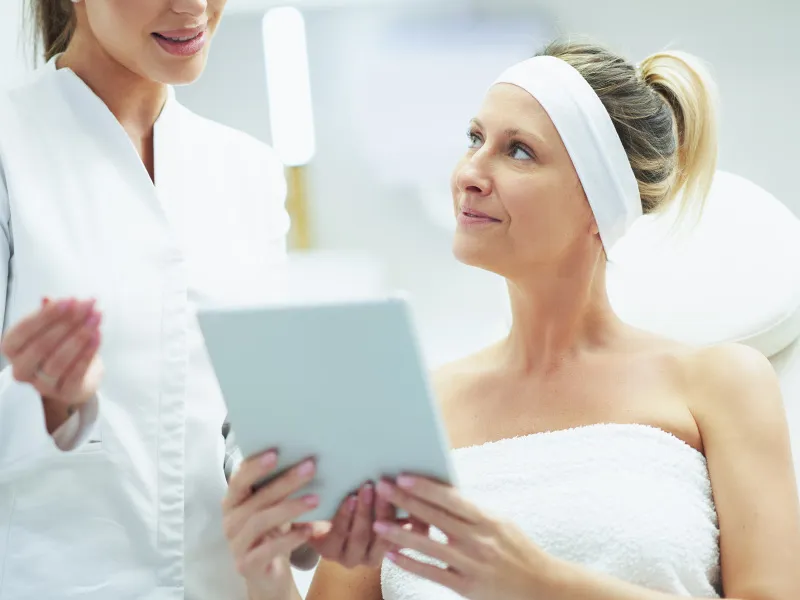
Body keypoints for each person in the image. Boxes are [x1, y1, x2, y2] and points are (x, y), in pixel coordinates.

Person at [221, 39, 800, 600]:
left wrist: (539, 584)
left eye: (518, 150)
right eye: (474, 138)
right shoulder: (413, 406)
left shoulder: (719, 384)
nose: (470, 171)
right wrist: (265, 574)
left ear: (600, 204)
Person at [0, 0, 377, 598]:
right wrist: (49, 405)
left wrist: (304, 496)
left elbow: (246, 422)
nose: (193, 8)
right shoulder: (11, 151)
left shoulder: (247, 171)